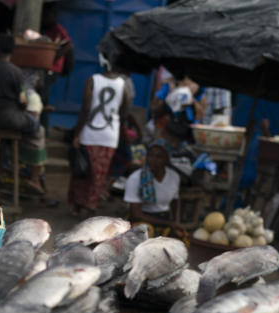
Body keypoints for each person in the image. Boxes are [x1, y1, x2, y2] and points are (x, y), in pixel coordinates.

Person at [0, 33, 46, 194]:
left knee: (4, 137)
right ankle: (34, 177)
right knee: (37, 127)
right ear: (12, 51)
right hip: (8, 119)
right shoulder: (16, 72)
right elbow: (23, 101)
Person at [68, 58, 130, 217]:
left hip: (89, 133)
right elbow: (124, 113)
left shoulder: (92, 80)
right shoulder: (124, 85)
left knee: (82, 171)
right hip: (110, 136)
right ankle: (91, 207)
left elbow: (85, 109)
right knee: (99, 174)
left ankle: (77, 206)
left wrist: (76, 133)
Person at [124, 140, 180, 220]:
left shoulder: (174, 177)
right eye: (150, 155)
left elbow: (175, 201)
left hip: (164, 217)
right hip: (141, 219)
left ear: (167, 159)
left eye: (159, 156)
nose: (153, 159)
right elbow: (136, 214)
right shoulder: (135, 178)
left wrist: (176, 222)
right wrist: (169, 224)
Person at [39, 1, 74, 130]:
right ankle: (44, 130)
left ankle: (42, 130)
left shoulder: (57, 29)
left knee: (41, 99)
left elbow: (68, 45)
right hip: (45, 69)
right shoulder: (44, 29)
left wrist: (52, 59)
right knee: (44, 100)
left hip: (52, 70)